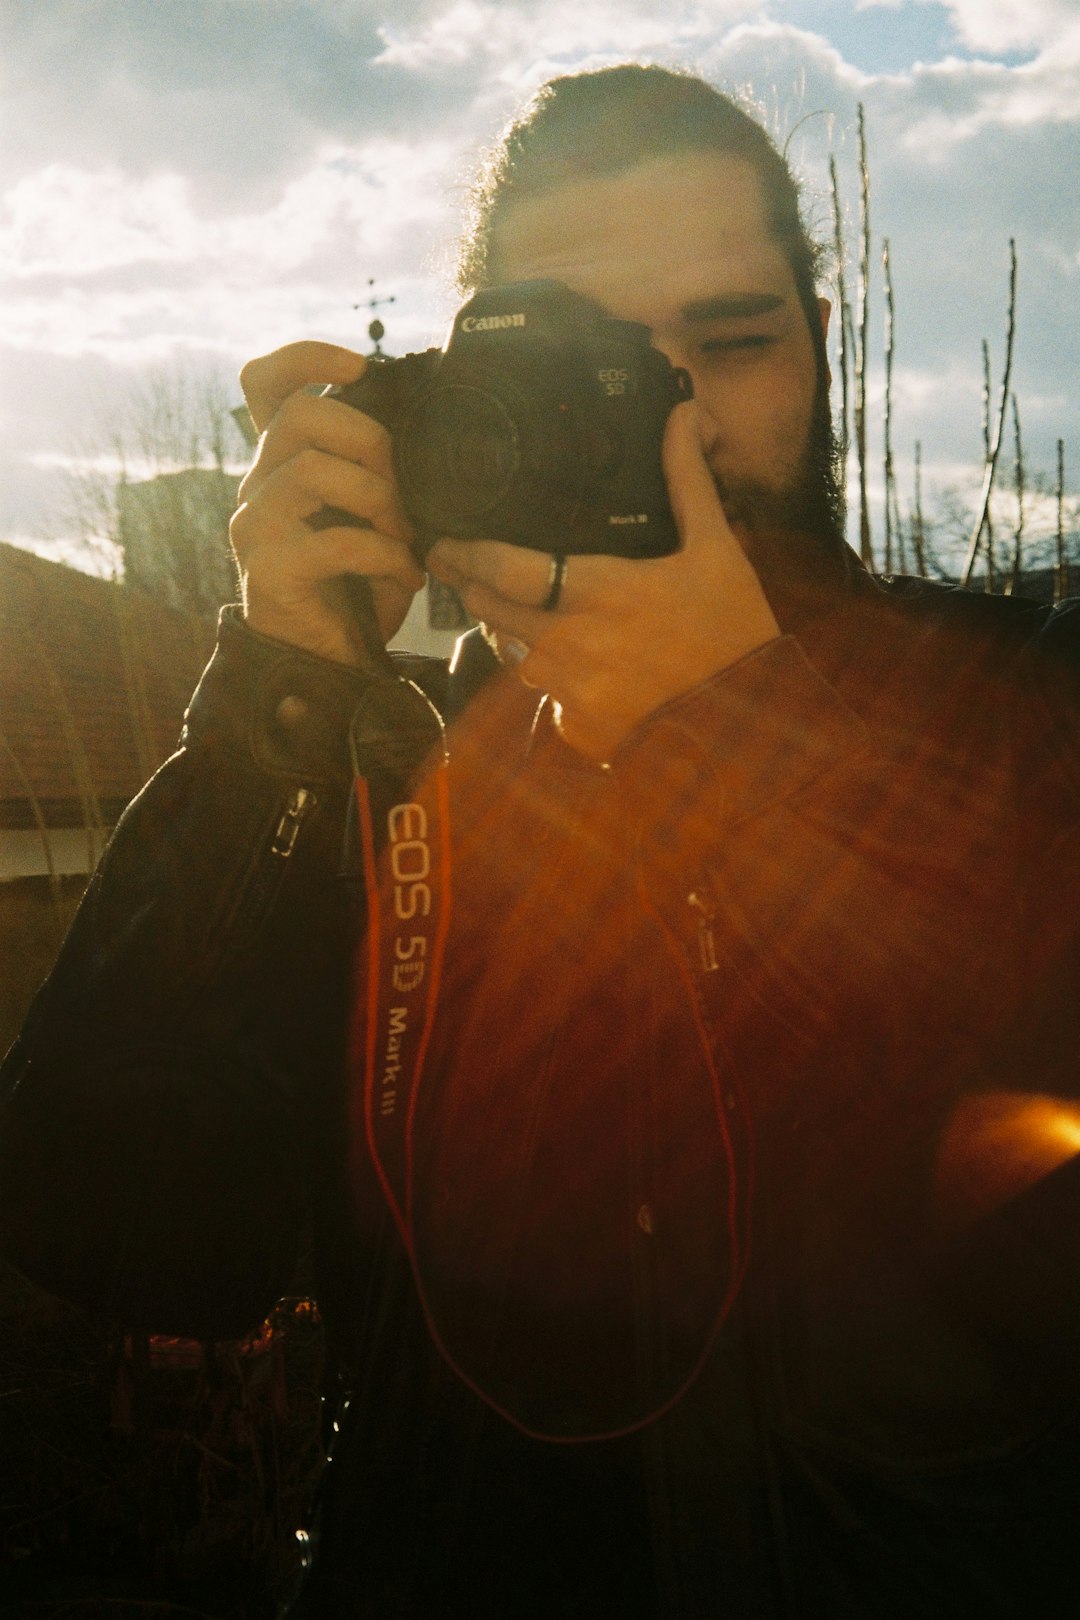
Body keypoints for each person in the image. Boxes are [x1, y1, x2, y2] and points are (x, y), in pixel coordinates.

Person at [3, 63, 1080, 1618]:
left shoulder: (1030, 707)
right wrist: (276, 718)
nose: (675, 422)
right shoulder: (383, 784)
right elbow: (126, 1235)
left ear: (825, 352)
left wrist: (742, 732)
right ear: (464, 411)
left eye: (732, 339)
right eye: (585, 368)